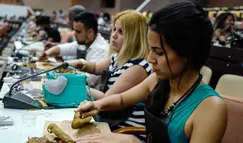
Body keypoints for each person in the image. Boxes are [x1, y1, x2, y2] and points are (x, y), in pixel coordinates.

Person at [75, 1, 227, 143]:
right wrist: (97, 106)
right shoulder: (158, 80)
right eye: (150, 50)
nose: (149, 58)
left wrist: (133, 141)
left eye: (159, 52)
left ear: (188, 54)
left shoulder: (211, 108)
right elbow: (121, 99)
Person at [68, 10, 151, 131]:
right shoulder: (118, 58)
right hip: (109, 120)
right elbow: (96, 67)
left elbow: (106, 98)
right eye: (114, 29)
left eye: (121, 32)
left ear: (135, 38)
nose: (114, 35)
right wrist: (78, 64)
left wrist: (74, 85)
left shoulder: (138, 67)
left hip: (124, 128)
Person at [39, 12, 109, 88]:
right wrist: (46, 53)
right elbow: (62, 48)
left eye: (78, 31)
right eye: (74, 30)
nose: (74, 34)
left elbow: (89, 80)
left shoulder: (101, 49)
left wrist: (64, 71)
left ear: (90, 32)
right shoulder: (85, 41)